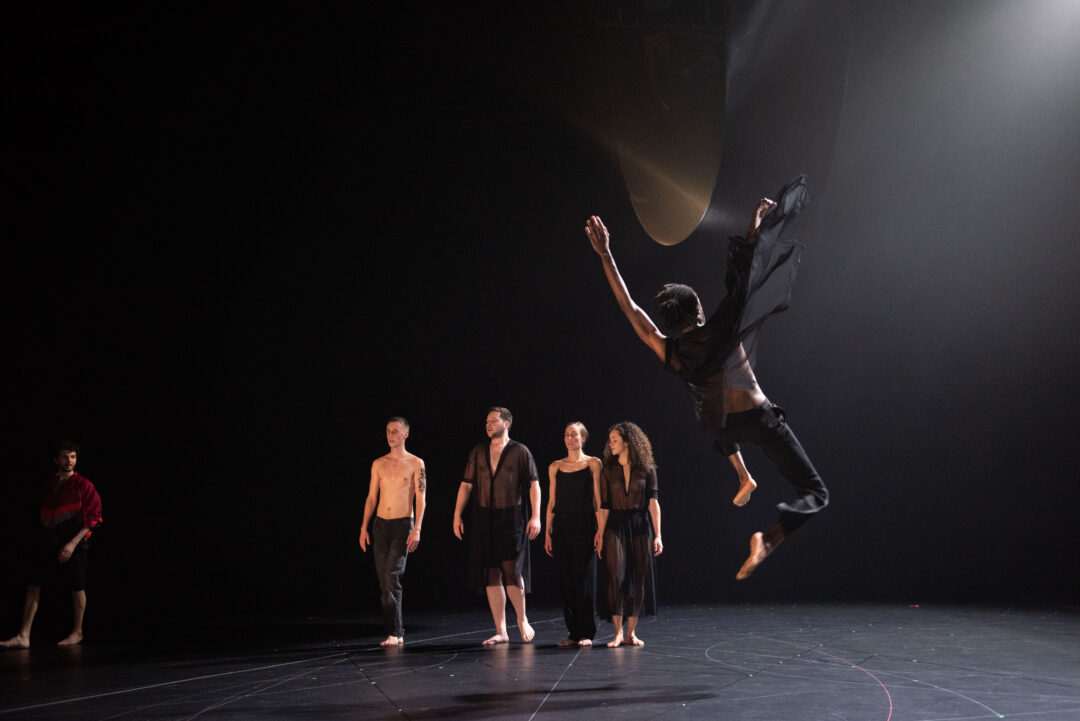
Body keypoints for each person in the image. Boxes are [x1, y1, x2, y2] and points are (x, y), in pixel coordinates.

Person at [585, 175, 828, 581]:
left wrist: (606, 254)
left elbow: (631, 310)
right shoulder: (721, 327)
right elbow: (745, 274)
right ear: (698, 311)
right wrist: (753, 225)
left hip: (725, 427)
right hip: (759, 418)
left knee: (711, 411)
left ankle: (743, 476)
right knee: (815, 492)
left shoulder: (672, 351)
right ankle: (768, 539)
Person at [1, 441, 103, 649]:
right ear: (56, 460)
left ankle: (77, 632)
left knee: (77, 586)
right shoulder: (49, 485)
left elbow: (93, 519)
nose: (69, 461)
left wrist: (71, 544)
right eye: (65, 457)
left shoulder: (84, 485)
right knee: (33, 584)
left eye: (73, 457)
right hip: (48, 540)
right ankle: (24, 635)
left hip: (74, 542)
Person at [453, 407, 542, 645]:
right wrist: (457, 515)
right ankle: (501, 630)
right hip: (484, 518)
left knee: (511, 570)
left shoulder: (520, 451)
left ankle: (522, 619)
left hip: (511, 517)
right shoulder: (478, 451)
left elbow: (534, 484)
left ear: (507, 424)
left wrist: (536, 516)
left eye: (493, 420)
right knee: (490, 573)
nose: (488, 424)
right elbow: (466, 484)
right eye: (487, 421)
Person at [358, 417, 426, 647]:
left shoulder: (416, 463)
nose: (390, 435)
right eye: (388, 431)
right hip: (380, 525)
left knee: (391, 577)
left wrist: (417, 528)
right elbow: (371, 497)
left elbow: (421, 498)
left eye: (395, 431)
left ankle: (395, 632)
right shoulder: (379, 463)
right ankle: (393, 632)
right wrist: (364, 527)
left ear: (406, 434)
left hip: (402, 524)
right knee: (384, 581)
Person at [595, 422, 662, 648]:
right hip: (615, 524)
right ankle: (617, 633)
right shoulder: (608, 469)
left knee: (638, 578)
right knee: (616, 575)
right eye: (610, 440)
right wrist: (600, 533)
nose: (611, 444)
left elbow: (653, 503)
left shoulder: (646, 468)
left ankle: (631, 632)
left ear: (628, 441)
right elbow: (604, 506)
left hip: (640, 524)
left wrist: (658, 535)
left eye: (615, 440)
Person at [544, 422, 603, 648]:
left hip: (584, 524)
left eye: (574, 435)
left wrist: (600, 530)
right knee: (566, 580)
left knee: (583, 579)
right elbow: (552, 501)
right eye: (567, 435)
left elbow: (597, 500)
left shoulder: (593, 463)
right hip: (561, 526)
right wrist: (548, 532)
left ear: (583, 438)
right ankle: (573, 632)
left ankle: (586, 631)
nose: (570, 438)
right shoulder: (555, 466)